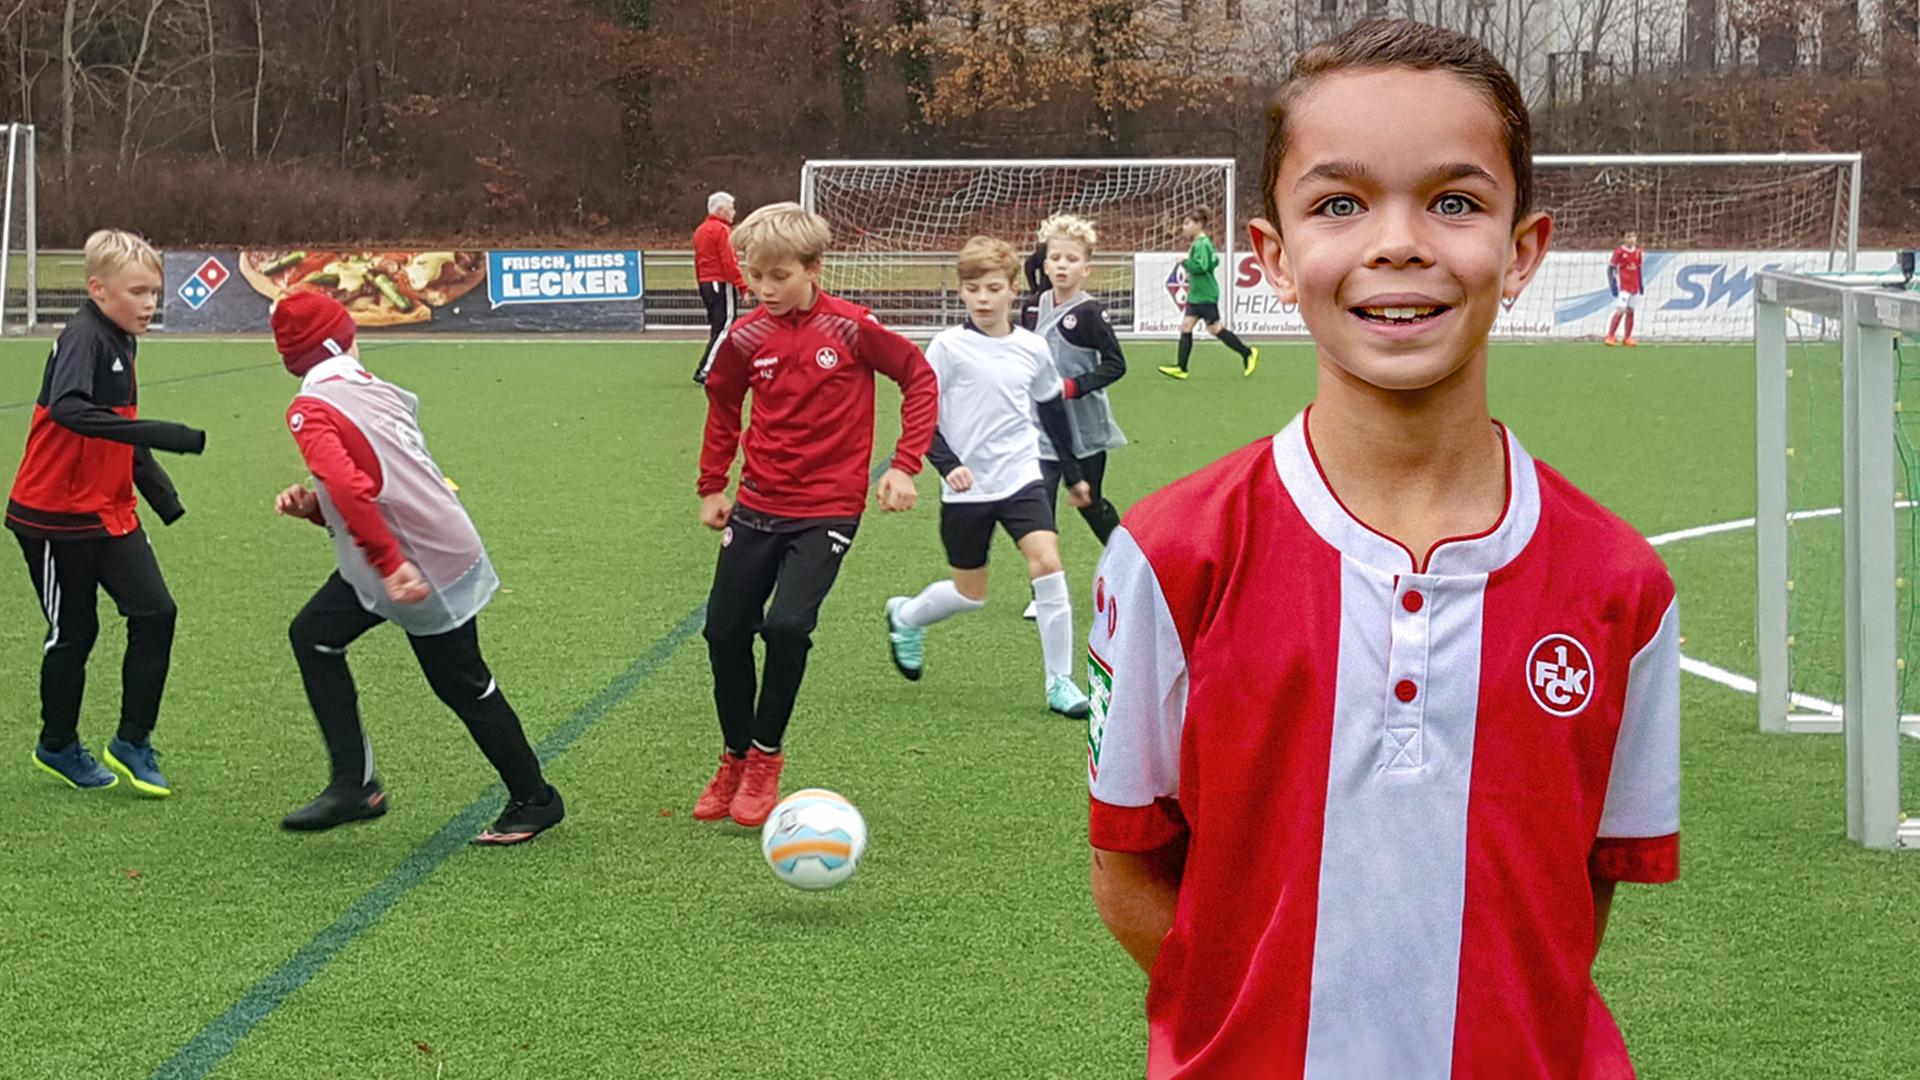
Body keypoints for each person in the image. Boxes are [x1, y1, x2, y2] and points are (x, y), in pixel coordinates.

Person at [1086, 20, 1680, 1078]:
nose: (1399, 242)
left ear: (1523, 249)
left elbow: (1583, 886)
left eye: (1454, 202)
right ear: (1270, 257)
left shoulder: (1620, 583)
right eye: (1340, 204)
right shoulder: (1173, 555)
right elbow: (1130, 873)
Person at [270, 291, 563, 845]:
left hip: (412, 560)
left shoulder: (310, 408)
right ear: (344, 340)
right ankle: (354, 785)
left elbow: (350, 484)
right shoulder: (375, 390)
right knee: (314, 635)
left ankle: (535, 798)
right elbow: (377, 479)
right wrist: (317, 508)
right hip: (416, 549)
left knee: (463, 683)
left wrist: (388, 560)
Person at [694, 202, 938, 828]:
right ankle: (734, 755)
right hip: (755, 504)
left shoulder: (853, 329)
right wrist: (711, 486)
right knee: (723, 631)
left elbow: (918, 376)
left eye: (780, 276)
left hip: (826, 508)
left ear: (813, 267)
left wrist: (905, 464)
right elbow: (722, 407)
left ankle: (766, 756)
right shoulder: (744, 337)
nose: (766, 290)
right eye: (755, 277)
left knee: (785, 627)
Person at [9, 229, 206, 796]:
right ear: (98, 290)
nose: (150, 304)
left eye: (155, 292)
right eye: (138, 291)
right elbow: (70, 409)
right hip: (53, 516)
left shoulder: (123, 338)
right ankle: (58, 745)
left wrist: (161, 495)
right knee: (74, 631)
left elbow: (117, 425)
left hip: (109, 511)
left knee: (156, 614)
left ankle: (130, 741)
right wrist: (162, 434)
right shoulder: (82, 338)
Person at [883, 236, 1093, 719]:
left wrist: (1074, 474)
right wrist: (947, 463)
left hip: (1022, 476)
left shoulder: (1032, 348)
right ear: (960, 291)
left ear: (1013, 290)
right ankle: (907, 616)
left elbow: (1049, 409)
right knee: (969, 594)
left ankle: (1060, 682)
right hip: (966, 487)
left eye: (993, 287)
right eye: (972, 288)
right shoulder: (948, 348)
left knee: (1047, 562)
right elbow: (921, 413)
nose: (982, 298)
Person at [1156, 209, 1259, 380]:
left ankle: (1247, 353)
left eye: (1187, 223)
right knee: (1187, 326)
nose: (1184, 227)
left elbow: (1202, 267)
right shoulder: (1201, 244)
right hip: (1196, 295)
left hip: (1205, 295)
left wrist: (1185, 262)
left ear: (1198, 225)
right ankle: (1181, 368)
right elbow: (1214, 261)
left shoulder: (1201, 244)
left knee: (1215, 329)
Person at [691, 191, 747, 384]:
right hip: (720, 283)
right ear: (721, 210)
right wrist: (742, 286)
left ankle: (723, 367)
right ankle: (706, 369)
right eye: (731, 208)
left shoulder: (700, 229)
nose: (734, 212)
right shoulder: (721, 230)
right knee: (724, 326)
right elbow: (728, 261)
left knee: (719, 327)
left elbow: (698, 261)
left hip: (706, 283)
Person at [1605, 230, 1644, 346]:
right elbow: (1611, 269)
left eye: (1633, 236)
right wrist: (1613, 285)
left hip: (1635, 287)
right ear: (1624, 238)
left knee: (1631, 311)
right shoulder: (1619, 252)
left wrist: (1641, 284)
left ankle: (1627, 338)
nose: (1632, 239)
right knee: (1621, 310)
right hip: (1624, 288)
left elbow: (1638, 269)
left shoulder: (1638, 252)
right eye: (1629, 236)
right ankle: (1610, 335)